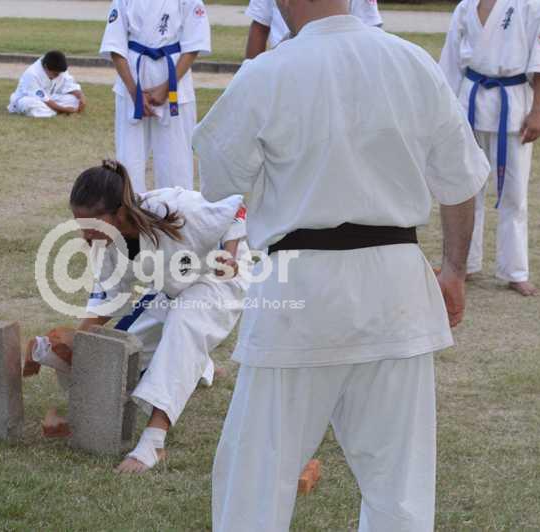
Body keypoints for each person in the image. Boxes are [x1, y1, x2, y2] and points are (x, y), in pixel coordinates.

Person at [192, 0, 490, 529]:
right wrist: (453, 271)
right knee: (398, 487)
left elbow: (218, 177)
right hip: (396, 288)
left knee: (256, 476)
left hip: (301, 291)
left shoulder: (268, 73)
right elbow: (461, 179)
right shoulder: (411, 62)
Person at [26, 159, 250, 473]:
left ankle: (154, 441)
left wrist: (229, 253)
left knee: (185, 324)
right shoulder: (107, 245)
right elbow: (106, 302)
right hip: (172, 289)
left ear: (119, 213)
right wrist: (66, 347)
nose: (85, 233)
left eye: (92, 223)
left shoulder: (172, 208)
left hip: (220, 278)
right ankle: (198, 365)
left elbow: (236, 207)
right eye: (79, 222)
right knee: (122, 351)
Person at [439, 0, 540, 296]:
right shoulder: (466, 6)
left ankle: (515, 270)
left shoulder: (530, 4)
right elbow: (450, 63)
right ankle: (465, 264)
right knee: (467, 189)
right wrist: (447, 111)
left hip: (513, 107)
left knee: (514, 194)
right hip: (469, 103)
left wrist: (537, 111)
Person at [99, 0, 211, 193]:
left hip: (175, 81)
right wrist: (134, 92)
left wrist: (166, 88)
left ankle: (175, 209)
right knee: (129, 158)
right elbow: (115, 46)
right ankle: (130, 208)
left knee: (177, 159)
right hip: (132, 77)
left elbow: (194, 45)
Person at [245, 0, 383, 59]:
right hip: (283, 66)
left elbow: (369, 27)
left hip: (338, 67)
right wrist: (251, 75)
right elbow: (259, 27)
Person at [7, 50, 86, 118]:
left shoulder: (58, 67)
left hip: (50, 97)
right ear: (45, 67)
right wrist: (64, 109)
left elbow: (69, 84)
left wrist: (81, 97)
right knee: (28, 104)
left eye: (59, 73)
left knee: (75, 100)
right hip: (29, 99)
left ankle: (49, 111)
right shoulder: (32, 74)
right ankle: (56, 111)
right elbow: (45, 100)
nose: (58, 76)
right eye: (55, 74)